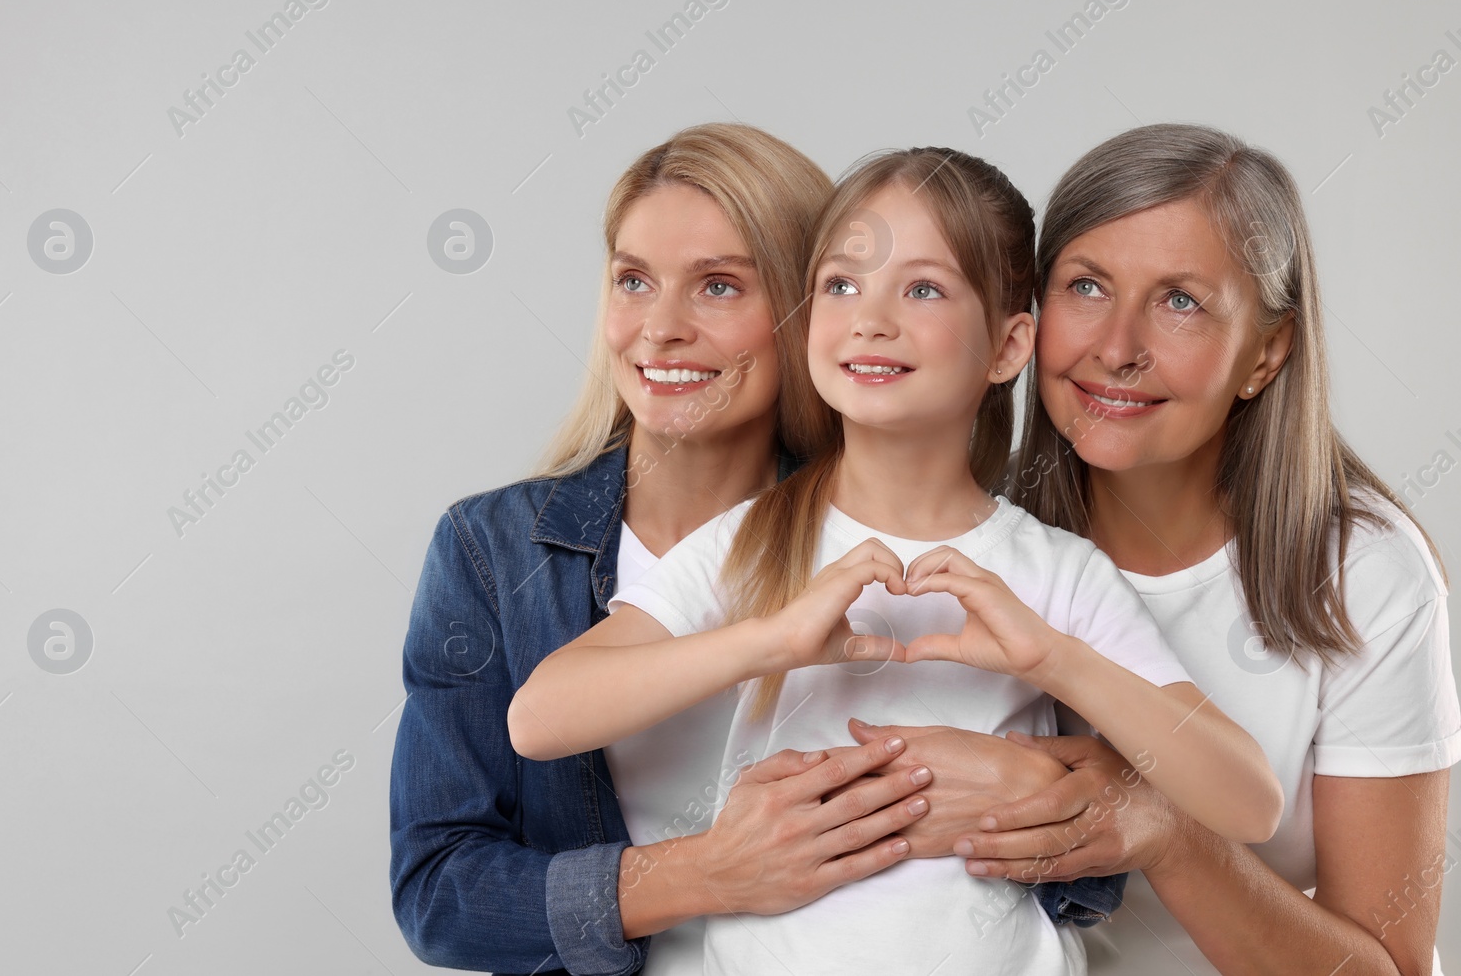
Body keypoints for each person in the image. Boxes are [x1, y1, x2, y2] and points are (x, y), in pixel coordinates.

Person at [509, 145, 1284, 976]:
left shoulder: (1056, 571)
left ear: (1008, 344)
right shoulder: (754, 540)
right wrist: (768, 641)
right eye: (841, 285)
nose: (870, 318)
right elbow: (540, 719)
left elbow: (1247, 802)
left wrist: (1054, 660)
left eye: (922, 288)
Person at [881, 123, 1459, 975]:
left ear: (1266, 351)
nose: (1115, 348)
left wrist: (1165, 830)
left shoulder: (1363, 573)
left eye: (1180, 300)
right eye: (1086, 286)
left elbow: (1394, 969)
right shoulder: (970, 538)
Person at [392, 123, 962, 976]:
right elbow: (439, 893)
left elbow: (1073, 877)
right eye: (634, 280)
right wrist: (708, 874)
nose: (660, 329)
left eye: (719, 286)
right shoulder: (493, 551)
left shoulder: (906, 538)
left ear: (810, 307)